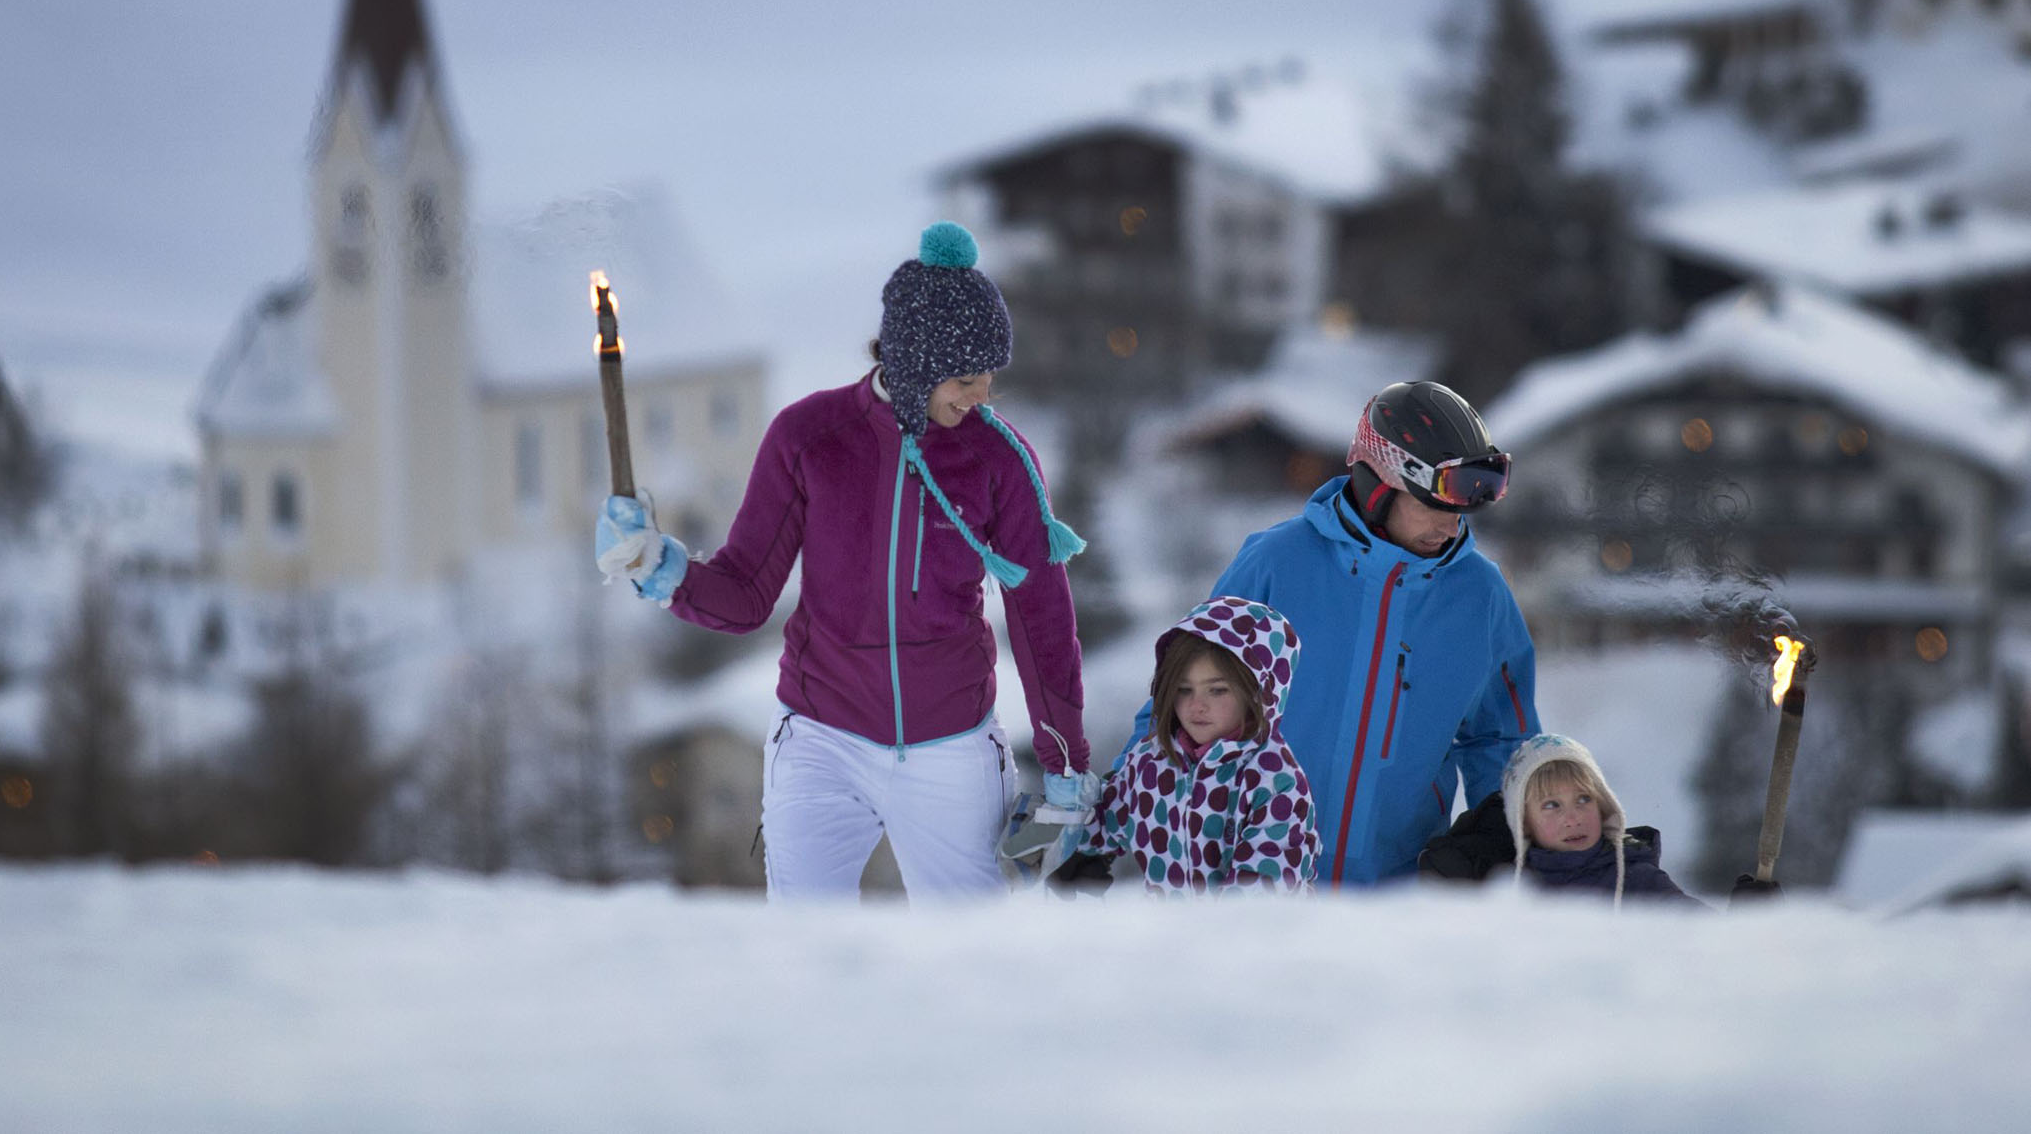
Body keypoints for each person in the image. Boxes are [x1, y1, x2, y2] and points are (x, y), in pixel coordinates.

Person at [596, 222, 1093, 900]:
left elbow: (1041, 620)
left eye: (988, 379)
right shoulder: (809, 438)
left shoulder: (998, 459)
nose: (981, 395)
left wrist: (1065, 759)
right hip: (820, 739)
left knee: (971, 949)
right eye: (967, 378)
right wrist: (663, 568)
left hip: (952, 744)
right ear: (916, 358)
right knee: (804, 944)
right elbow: (744, 594)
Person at [1113, 380, 1538, 888]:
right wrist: (1110, 826)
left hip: (1395, 895)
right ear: (1379, 483)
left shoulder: (1481, 597)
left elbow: (1504, 740)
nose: (1451, 528)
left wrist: (1499, 831)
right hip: (1254, 884)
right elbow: (1175, 705)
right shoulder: (1278, 563)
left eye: (1461, 511)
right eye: (1434, 506)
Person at [1051, 597, 1317, 895]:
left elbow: (1263, 892)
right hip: (1175, 935)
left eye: (1217, 690)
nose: (1196, 705)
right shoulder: (1150, 763)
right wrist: (1058, 835)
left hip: (1260, 938)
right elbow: (1103, 820)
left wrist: (1210, 936)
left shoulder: (1274, 780)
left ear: (1259, 692)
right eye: (1183, 689)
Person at [1419, 733, 1695, 906]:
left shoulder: (1638, 880)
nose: (1572, 817)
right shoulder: (1510, 888)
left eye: (1584, 799)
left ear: (1604, 805)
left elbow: (1703, 937)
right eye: (1552, 805)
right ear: (1524, 822)